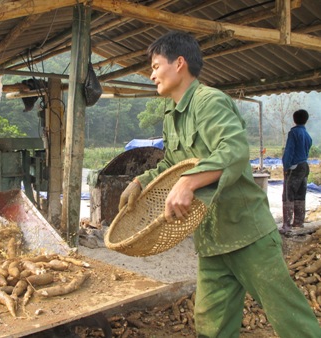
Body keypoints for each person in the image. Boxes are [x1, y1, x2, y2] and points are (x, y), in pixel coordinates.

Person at [118, 31, 321, 337]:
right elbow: (173, 164)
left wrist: (189, 183)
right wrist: (140, 181)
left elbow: (234, 150)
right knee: (211, 326)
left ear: (179, 63)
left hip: (247, 234)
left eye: (156, 65)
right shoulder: (173, 114)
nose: (152, 74)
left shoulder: (208, 102)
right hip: (212, 239)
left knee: (288, 317)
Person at [280, 109, 312, 234]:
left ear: (294, 119)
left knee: (288, 195)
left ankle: (286, 226)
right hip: (304, 166)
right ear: (306, 120)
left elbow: (289, 151)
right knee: (300, 194)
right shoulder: (307, 134)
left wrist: (286, 166)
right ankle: (299, 222)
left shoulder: (293, 133)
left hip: (294, 167)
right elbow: (307, 149)